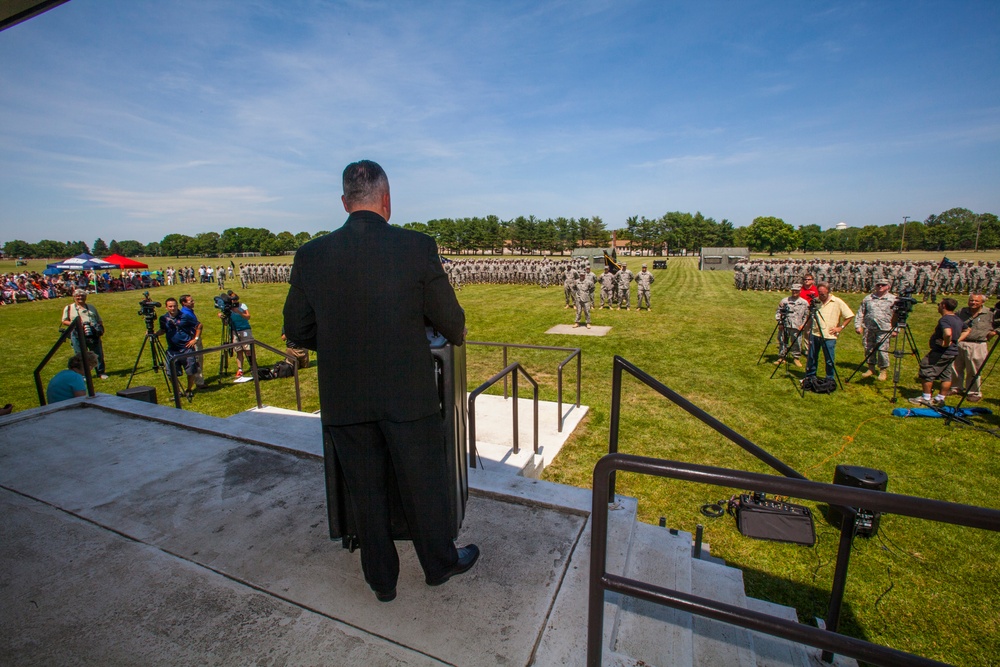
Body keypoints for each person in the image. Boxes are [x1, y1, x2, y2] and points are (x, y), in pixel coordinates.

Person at [283, 160, 478, 603]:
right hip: (408, 395)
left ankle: (382, 581)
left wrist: (340, 344)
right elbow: (452, 322)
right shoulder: (416, 247)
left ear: (344, 202)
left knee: (365, 493)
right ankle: (438, 564)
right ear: (386, 201)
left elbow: (297, 327)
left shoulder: (311, 254)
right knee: (422, 485)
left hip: (345, 397)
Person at [910, 299, 968, 407]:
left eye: (939, 305)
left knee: (927, 370)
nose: (938, 307)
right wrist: (957, 341)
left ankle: (926, 397)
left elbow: (947, 333)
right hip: (952, 352)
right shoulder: (957, 319)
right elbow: (967, 330)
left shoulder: (945, 320)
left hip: (941, 352)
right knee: (946, 375)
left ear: (943, 306)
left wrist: (946, 343)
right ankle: (940, 398)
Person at [804, 282, 854, 382]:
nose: (821, 295)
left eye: (823, 293)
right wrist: (806, 328)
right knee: (812, 357)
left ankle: (830, 378)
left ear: (828, 291)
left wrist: (840, 327)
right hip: (815, 334)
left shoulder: (837, 302)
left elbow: (849, 315)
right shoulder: (816, 301)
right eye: (819, 293)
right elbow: (810, 316)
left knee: (829, 359)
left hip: (829, 336)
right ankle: (810, 376)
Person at [950, 294, 994, 403]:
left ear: (982, 302)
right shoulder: (962, 312)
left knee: (974, 369)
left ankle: (973, 392)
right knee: (955, 367)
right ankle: (956, 387)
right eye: (971, 300)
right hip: (961, 342)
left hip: (978, 344)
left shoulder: (990, 313)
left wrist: (995, 332)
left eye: (976, 301)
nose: (973, 303)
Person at [157, 297, 202, 401]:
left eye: (175, 306)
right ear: (166, 307)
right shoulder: (163, 318)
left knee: (191, 371)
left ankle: (189, 389)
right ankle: (177, 392)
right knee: (170, 373)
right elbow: (163, 330)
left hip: (186, 348)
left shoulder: (185, 316)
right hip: (172, 349)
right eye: (170, 306)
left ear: (178, 306)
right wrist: (155, 334)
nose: (173, 308)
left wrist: (195, 339)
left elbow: (199, 325)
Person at [61, 289, 108, 379]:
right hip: (77, 333)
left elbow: (99, 320)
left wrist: (97, 328)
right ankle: (82, 374)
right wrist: (77, 324)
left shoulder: (91, 307)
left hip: (93, 333)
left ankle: (100, 372)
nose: (80, 298)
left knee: (97, 353)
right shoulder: (69, 308)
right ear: (74, 297)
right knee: (80, 354)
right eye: (78, 296)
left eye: (82, 296)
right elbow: (64, 321)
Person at [854, 279, 896, 381]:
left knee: (882, 350)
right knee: (868, 348)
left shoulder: (894, 299)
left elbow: (898, 316)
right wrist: (858, 325)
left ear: (888, 286)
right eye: (878, 285)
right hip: (869, 328)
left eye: (883, 285)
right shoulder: (868, 298)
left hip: (885, 329)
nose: (880, 286)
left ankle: (883, 370)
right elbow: (861, 312)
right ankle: (871, 368)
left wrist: (896, 329)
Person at [774, 283, 808, 367]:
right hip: (785, 325)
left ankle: (796, 358)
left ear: (800, 291)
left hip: (797, 326)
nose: (794, 292)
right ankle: (781, 357)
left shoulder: (804, 303)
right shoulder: (785, 301)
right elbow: (779, 312)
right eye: (793, 290)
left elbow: (806, 316)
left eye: (796, 291)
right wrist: (780, 322)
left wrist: (802, 325)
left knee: (797, 342)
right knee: (782, 341)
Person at [221, 291, 253, 379]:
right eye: (233, 300)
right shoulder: (227, 308)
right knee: (238, 350)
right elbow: (226, 324)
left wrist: (238, 311)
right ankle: (240, 369)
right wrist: (223, 317)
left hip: (245, 329)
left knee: (248, 349)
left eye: (236, 299)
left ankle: (253, 366)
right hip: (234, 330)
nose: (235, 301)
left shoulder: (242, 306)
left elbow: (248, 317)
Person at [180, 294, 207, 389]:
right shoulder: (185, 314)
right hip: (193, 339)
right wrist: (195, 338)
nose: (193, 302)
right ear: (184, 303)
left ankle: (199, 380)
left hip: (194, 337)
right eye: (190, 301)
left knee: (199, 359)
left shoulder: (188, 311)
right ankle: (199, 382)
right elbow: (199, 326)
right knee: (197, 360)